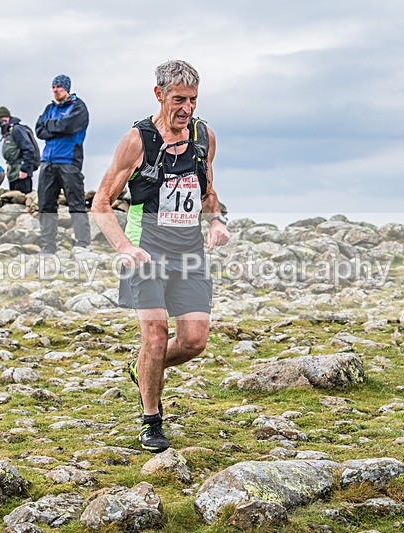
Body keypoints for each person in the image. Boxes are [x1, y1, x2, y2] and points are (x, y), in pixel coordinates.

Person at [91, 60, 230, 452]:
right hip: (146, 253)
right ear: (159, 95)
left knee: (193, 342)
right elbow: (102, 203)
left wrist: (216, 221)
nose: (186, 108)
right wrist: (124, 246)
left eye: (193, 100)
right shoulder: (137, 141)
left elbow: (208, 191)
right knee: (154, 335)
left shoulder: (205, 137)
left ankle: (142, 369)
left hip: (189, 253)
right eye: (178, 100)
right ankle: (151, 420)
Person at [35, 74, 91, 254]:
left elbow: (70, 126)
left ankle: (82, 244)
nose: (55, 90)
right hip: (47, 162)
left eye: (58, 87)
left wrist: (50, 126)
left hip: (69, 161)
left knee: (76, 204)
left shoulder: (78, 107)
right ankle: (48, 246)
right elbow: (39, 130)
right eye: (53, 87)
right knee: (46, 206)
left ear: (66, 88)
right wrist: (57, 126)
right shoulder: (49, 108)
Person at [0, 106, 39, 194]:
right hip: (13, 171)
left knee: (22, 199)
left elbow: (28, 149)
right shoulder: (8, 131)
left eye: (1, 119)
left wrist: (24, 169)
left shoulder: (17, 129)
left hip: (21, 171)